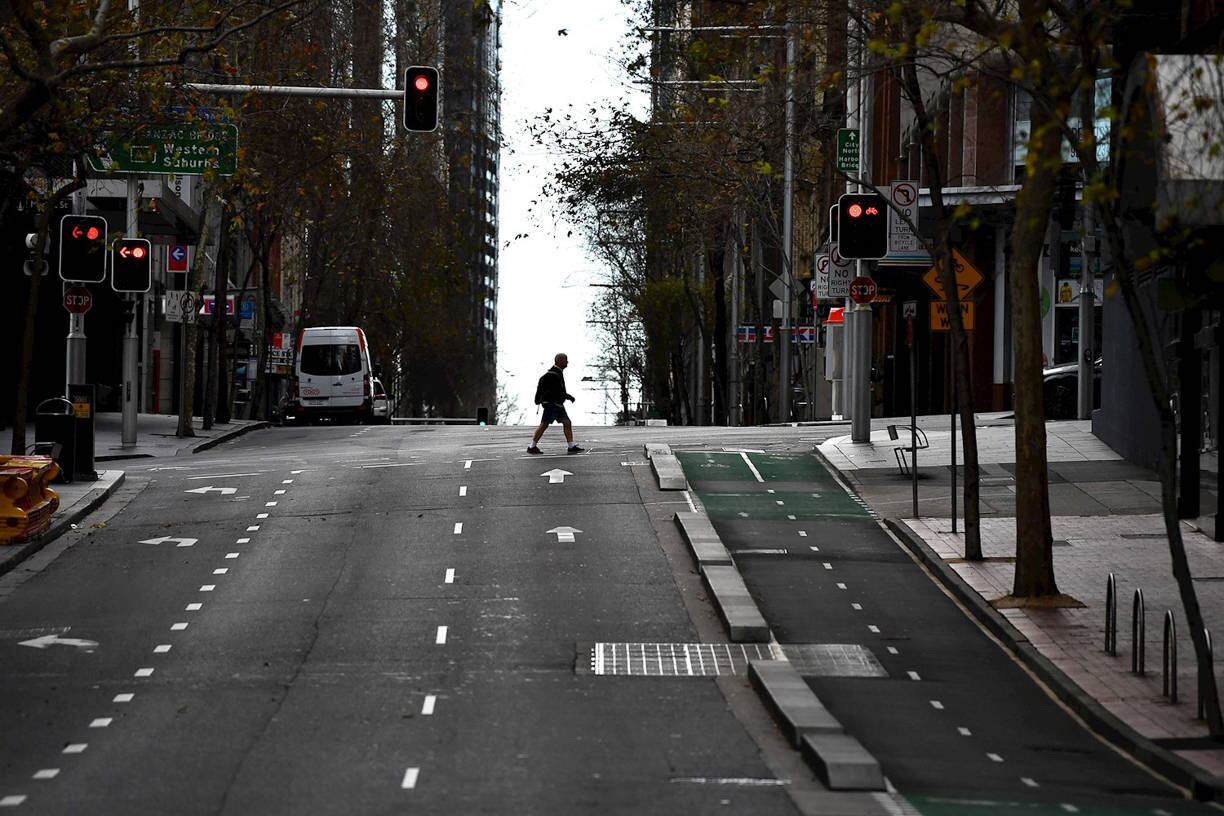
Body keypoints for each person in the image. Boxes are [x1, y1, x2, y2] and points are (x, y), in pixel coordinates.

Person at [528, 353, 583, 454]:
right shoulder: (554, 375)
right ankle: (532, 446)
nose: (567, 362)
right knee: (545, 424)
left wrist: (539, 400)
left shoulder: (554, 373)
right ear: (559, 360)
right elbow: (557, 391)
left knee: (565, 422)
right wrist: (568, 397)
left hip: (554, 404)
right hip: (553, 404)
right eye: (565, 360)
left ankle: (571, 445)